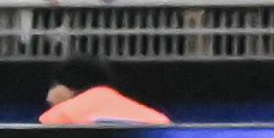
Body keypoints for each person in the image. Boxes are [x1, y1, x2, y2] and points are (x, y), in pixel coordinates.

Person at [39, 54, 173, 126]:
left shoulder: (59, 117)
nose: (48, 97)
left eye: (53, 86)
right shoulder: (159, 120)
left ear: (66, 87)